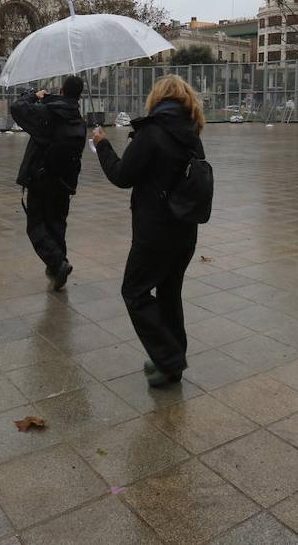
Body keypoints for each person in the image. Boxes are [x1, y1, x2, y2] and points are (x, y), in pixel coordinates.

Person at [92, 74, 206, 387]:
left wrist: (102, 146)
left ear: (156, 99)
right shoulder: (192, 131)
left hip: (154, 232)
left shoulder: (152, 131)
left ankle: (169, 357)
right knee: (169, 294)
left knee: (134, 290)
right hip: (184, 230)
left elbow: (122, 175)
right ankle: (170, 363)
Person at [11, 76, 87, 291]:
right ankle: (57, 269)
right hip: (64, 183)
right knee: (57, 225)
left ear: (61, 90)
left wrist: (34, 95)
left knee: (35, 225)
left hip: (41, 179)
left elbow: (17, 108)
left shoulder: (49, 113)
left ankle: (57, 264)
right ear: (79, 95)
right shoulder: (78, 119)